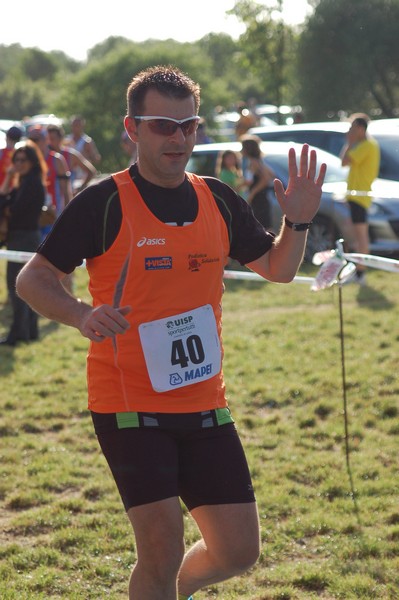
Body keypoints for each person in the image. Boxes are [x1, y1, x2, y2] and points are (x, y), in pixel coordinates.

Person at [16, 65, 326, 599]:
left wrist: (296, 223)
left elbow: (278, 269)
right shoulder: (104, 201)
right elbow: (33, 279)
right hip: (129, 403)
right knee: (160, 547)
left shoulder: (218, 198)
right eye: (163, 125)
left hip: (206, 402)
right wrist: (81, 314)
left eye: (189, 125)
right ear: (132, 129)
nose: (179, 138)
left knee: (237, 551)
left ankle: (162, 592)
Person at [0, 141, 47, 346]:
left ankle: (18, 334)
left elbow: (15, 211)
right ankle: (28, 332)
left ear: (32, 162)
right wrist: (9, 176)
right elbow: (2, 202)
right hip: (21, 237)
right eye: (16, 160)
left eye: (23, 160)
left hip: (25, 239)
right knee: (25, 287)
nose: (18, 163)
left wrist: (9, 211)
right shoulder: (22, 182)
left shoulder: (32, 183)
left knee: (17, 286)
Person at [341, 113, 380, 285]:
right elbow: (344, 163)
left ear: (361, 129)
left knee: (361, 236)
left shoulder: (367, 145)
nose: (350, 131)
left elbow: (345, 160)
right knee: (356, 236)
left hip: (360, 196)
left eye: (352, 128)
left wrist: (349, 143)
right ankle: (357, 270)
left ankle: (360, 273)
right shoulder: (364, 145)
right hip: (355, 196)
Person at [47, 124, 97, 194]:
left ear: (60, 138)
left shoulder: (70, 155)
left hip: (66, 199)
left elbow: (91, 171)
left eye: (52, 139)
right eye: (47, 139)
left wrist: (80, 189)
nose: (49, 142)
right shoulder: (43, 156)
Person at [241, 135, 276, 228]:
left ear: (248, 149)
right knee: (265, 227)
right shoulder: (258, 161)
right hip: (261, 198)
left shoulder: (253, 162)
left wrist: (252, 193)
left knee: (262, 228)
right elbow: (271, 175)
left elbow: (266, 179)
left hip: (258, 200)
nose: (241, 150)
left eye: (243, 147)